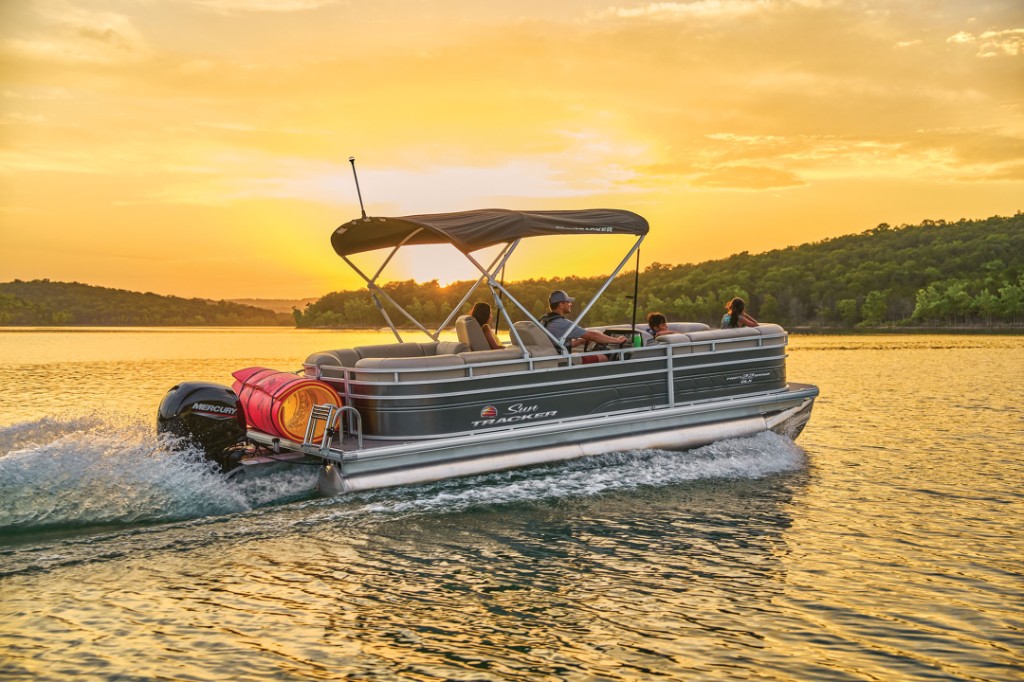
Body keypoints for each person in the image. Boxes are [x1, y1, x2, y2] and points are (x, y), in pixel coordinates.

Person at [540, 290, 627, 363]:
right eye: (568, 302)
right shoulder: (562, 323)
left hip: (552, 358)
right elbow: (593, 336)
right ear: (561, 305)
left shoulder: (544, 320)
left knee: (578, 355)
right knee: (603, 357)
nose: (571, 304)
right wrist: (617, 340)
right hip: (561, 361)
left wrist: (581, 341)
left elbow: (558, 344)